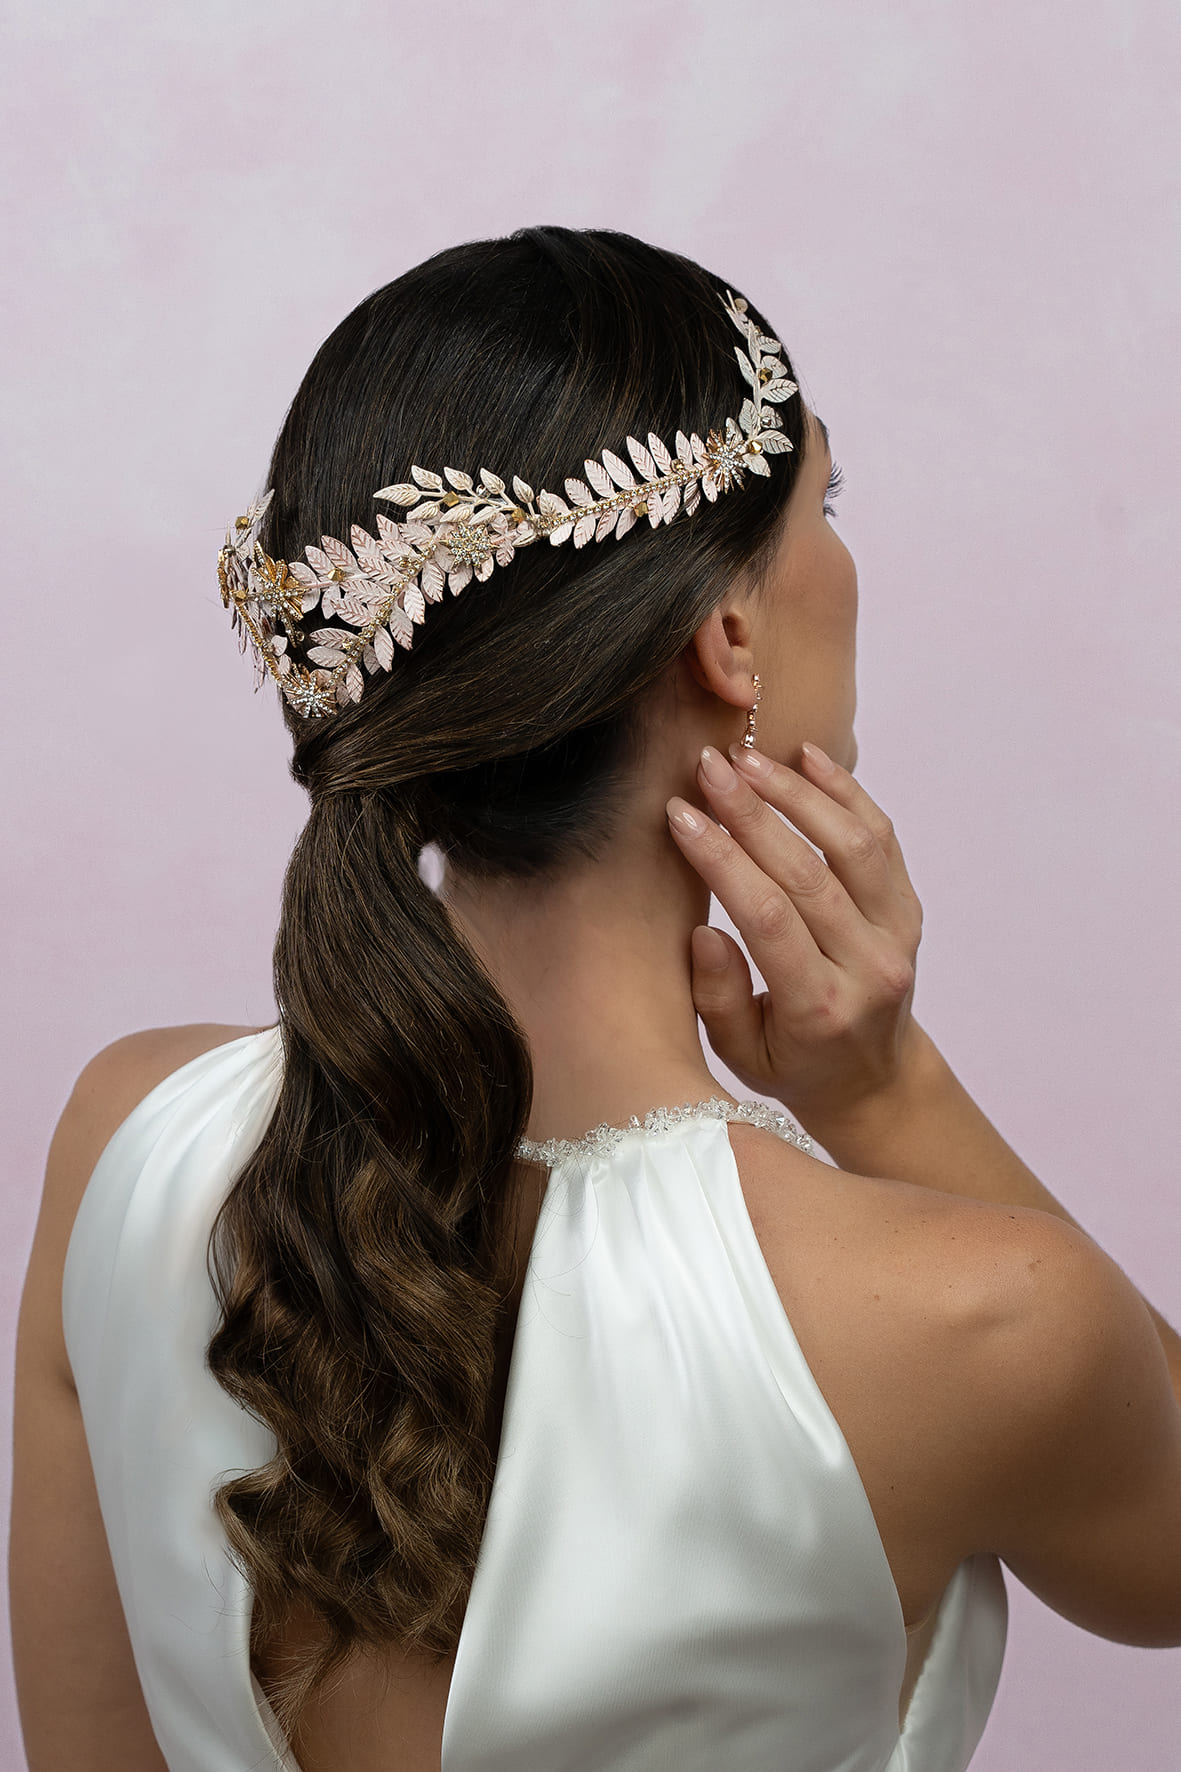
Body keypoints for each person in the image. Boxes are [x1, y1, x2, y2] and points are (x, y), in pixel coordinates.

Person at [9, 226, 1181, 1772]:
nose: (842, 556)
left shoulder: (131, 1141)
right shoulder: (972, 1318)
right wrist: (888, 1094)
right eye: (822, 506)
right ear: (727, 639)